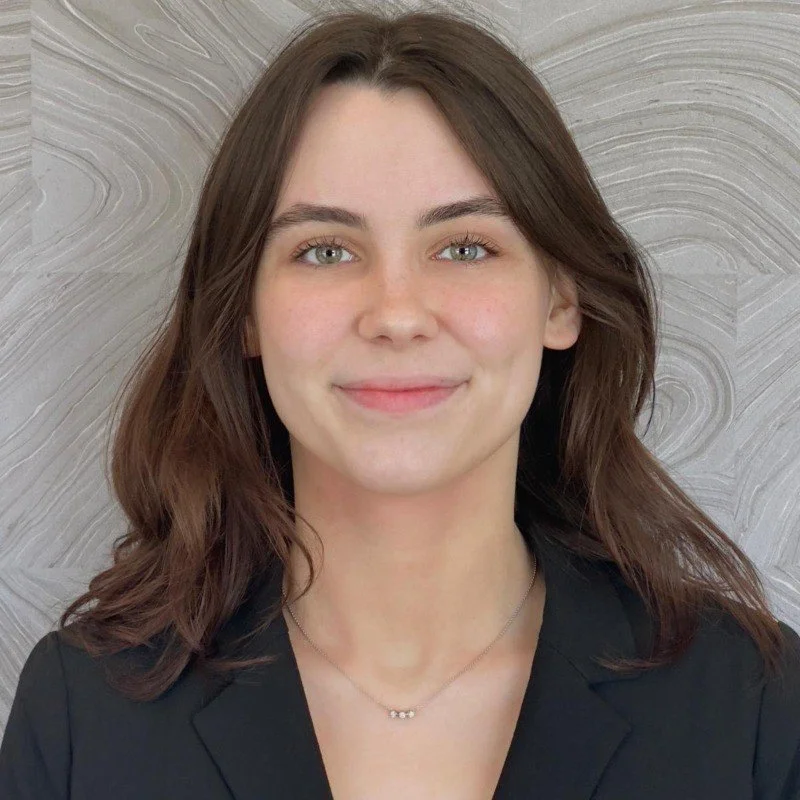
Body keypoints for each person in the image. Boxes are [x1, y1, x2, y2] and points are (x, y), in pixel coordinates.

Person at [1, 4, 798, 799]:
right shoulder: (85, 713)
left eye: (464, 247)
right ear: (242, 310)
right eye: (324, 250)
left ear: (562, 300)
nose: (397, 314)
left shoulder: (754, 707)